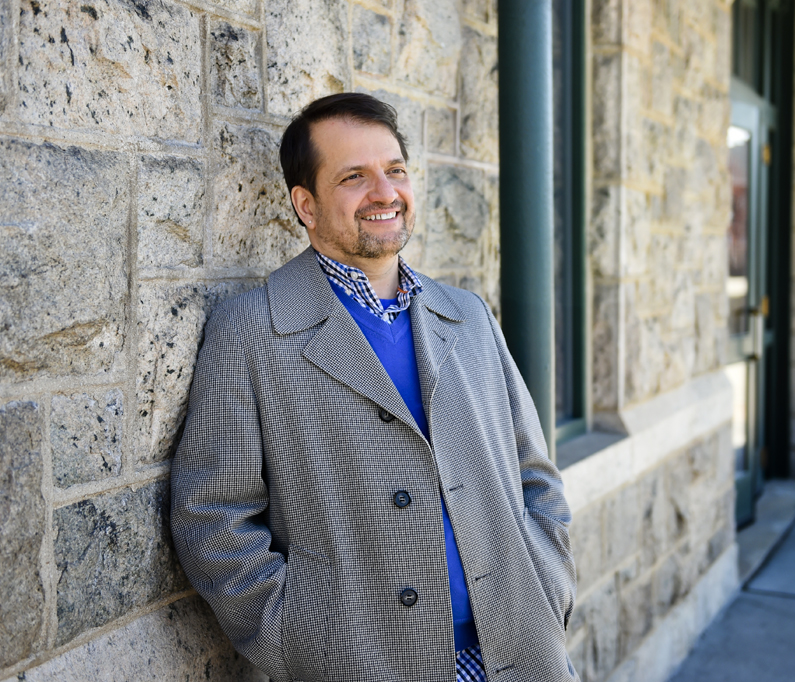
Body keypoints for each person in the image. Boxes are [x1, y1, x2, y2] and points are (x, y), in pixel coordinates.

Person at [170, 92, 579, 682]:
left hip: (518, 654)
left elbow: (534, 473)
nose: (385, 193)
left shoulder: (467, 316)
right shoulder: (251, 332)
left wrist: (551, 580)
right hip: (362, 667)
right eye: (354, 177)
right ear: (305, 205)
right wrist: (296, 642)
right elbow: (211, 514)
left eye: (395, 170)